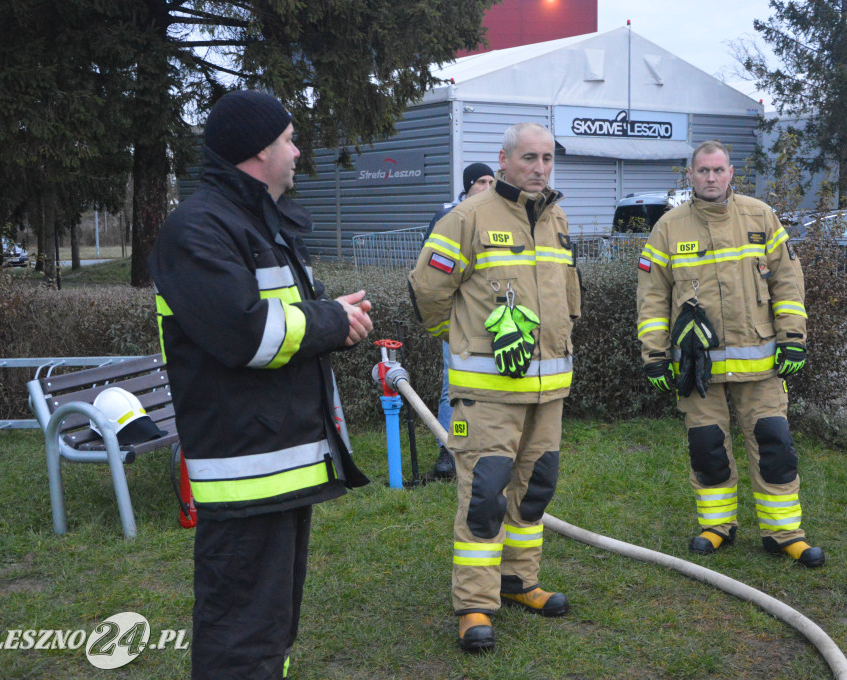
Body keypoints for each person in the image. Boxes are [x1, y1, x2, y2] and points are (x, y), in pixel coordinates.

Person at [149, 90, 374, 679]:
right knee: (240, 638)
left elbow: (282, 316)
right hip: (244, 470)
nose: (297, 153)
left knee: (269, 630)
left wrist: (333, 316)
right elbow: (248, 333)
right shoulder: (197, 228)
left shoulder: (253, 220)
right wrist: (331, 321)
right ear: (257, 151)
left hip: (278, 462)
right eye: (289, 141)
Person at [408, 122, 583, 652]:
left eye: (547, 158)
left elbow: (568, 294)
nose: (539, 168)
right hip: (486, 396)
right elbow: (427, 291)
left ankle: (518, 580)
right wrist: (458, 338)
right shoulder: (468, 217)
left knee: (535, 490)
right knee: (485, 496)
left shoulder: (556, 217)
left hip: (547, 392)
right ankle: (474, 605)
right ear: (503, 160)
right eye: (529, 157)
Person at [636, 140, 825, 569]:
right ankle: (717, 527)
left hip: (761, 366)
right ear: (690, 175)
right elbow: (651, 298)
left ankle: (784, 534)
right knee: (707, 448)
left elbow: (787, 282)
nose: (711, 177)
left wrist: (793, 337)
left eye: (718, 170)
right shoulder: (668, 228)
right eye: (703, 170)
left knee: (774, 445)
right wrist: (655, 354)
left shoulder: (760, 216)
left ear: (731, 173)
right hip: (697, 368)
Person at [424, 162, 496, 481]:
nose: (487, 187)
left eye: (492, 181)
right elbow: (430, 273)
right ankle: (448, 450)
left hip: (493, 316)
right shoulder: (448, 217)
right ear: (468, 186)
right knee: (452, 385)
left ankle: (486, 447)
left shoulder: (499, 216)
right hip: (458, 317)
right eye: (481, 182)